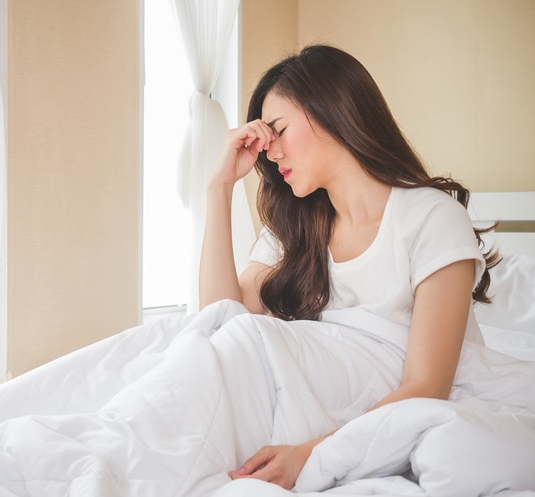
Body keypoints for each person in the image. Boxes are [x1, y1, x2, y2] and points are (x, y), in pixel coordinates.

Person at [198, 44, 499, 490]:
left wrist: (312, 453)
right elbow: (221, 320)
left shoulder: (430, 218)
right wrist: (218, 190)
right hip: (315, 403)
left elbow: (428, 384)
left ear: (331, 111)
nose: (271, 152)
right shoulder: (295, 226)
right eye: (265, 140)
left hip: (374, 418)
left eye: (278, 130)